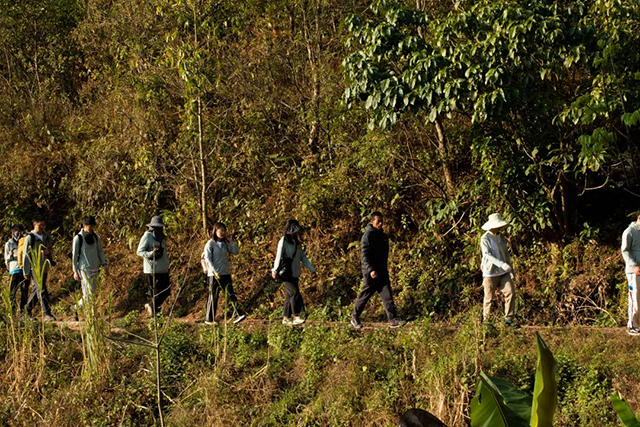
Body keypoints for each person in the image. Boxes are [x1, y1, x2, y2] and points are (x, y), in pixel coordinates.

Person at [351, 211, 405, 329]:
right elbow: (364, 255)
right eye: (378, 221)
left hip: (382, 271)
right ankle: (354, 317)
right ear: (372, 221)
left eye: (382, 221)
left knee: (387, 295)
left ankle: (393, 319)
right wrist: (371, 270)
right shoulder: (367, 236)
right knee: (364, 295)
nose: (380, 224)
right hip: (371, 272)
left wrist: (383, 269)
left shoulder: (383, 236)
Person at [271, 219, 316, 326]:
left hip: (295, 273)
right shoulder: (283, 241)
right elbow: (278, 256)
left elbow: (303, 257)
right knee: (295, 293)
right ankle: (296, 316)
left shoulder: (296, 243)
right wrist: (274, 270)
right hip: (285, 273)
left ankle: (286, 318)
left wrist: (311, 269)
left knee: (289, 295)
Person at [203, 222, 245, 325]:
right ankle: (209, 319)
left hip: (225, 272)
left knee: (230, 293)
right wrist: (214, 271)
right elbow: (207, 259)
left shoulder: (225, 244)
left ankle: (237, 314)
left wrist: (231, 242)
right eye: (220, 230)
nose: (222, 232)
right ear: (215, 231)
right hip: (214, 274)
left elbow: (236, 251)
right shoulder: (211, 243)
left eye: (223, 230)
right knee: (214, 295)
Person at [480, 213, 516, 326]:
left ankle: (508, 319)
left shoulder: (500, 238)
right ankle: (487, 322)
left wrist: (511, 270)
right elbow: (487, 255)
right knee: (489, 298)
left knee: (510, 292)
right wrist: (501, 264)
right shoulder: (485, 238)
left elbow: (506, 254)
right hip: (490, 273)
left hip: (504, 272)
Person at [71, 216, 107, 321]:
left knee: (91, 293)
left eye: (92, 226)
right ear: (84, 225)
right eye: (89, 226)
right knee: (89, 292)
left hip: (95, 267)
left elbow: (100, 251)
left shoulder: (95, 237)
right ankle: (91, 315)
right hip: (84, 268)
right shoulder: (78, 238)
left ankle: (76, 308)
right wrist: (75, 271)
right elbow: (74, 255)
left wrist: (104, 263)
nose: (91, 228)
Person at [23, 215, 56, 321]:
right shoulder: (30, 237)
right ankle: (47, 313)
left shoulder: (46, 236)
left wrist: (48, 253)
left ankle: (26, 312)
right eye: (39, 225)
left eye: (43, 224)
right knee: (41, 289)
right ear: (34, 225)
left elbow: (50, 249)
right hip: (34, 267)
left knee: (36, 290)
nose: (41, 227)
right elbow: (25, 255)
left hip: (44, 267)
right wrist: (26, 271)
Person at [136, 216, 171, 317]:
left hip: (163, 269)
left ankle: (151, 306)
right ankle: (155, 315)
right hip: (151, 269)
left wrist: (167, 263)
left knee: (166, 291)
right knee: (154, 293)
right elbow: (139, 251)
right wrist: (152, 253)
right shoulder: (147, 236)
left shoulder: (162, 237)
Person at [621, 208, 640, 336]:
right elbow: (625, 250)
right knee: (635, 298)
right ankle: (632, 325)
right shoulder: (629, 231)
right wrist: (634, 266)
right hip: (634, 271)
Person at [4, 224, 27, 316]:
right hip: (14, 270)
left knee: (24, 291)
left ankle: (23, 312)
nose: (18, 233)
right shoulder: (8, 244)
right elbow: (6, 259)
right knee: (12, 292)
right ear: (12, 232)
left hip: (24, 270)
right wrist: (10, 267)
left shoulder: (25, 242)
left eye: (19, 231)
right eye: (15, 231)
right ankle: (11, 312)